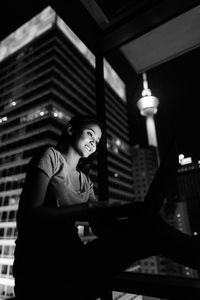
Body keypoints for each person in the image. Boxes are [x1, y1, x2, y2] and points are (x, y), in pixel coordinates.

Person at [13, 114, 200, 300]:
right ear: (71, 130)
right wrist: (87, 208)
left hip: (73, 259)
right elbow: (29, 216)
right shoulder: (50, 156)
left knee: (151, 229)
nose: (94, 143)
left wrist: (131, 214)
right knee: (152, 231)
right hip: (39, 268)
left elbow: (100, 227)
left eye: (98, 140)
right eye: (90, 134)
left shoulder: (85, 182)